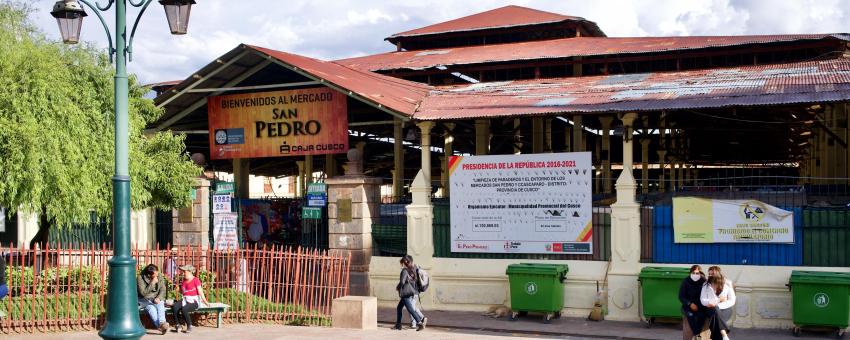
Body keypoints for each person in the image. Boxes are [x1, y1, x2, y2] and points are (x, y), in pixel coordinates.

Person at [393, 255, 427, 331]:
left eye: (402, 263)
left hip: (405, 293)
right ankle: (398, 325)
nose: (401, 265)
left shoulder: (404, 271)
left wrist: (398, 287)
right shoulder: (413, 269)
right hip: (411, 291)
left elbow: (402, 282)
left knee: (410, 309)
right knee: (399, 308)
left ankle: (419, 323)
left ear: (405, 263)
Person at [172, 264, 208, 334]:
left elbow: (200, 292)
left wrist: (205, 301)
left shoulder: (196, 280)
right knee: (175, 306)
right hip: (185, 300)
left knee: (184, 309)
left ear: (190, 272)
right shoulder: (184, 281)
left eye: (185, 271)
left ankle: (189, 325)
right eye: (183, 272)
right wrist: (178, 289)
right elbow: (183, 292)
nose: (183, 273)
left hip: (194, 301)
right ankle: (178, 325)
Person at [138, 264, 169, 334]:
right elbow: (143, 293)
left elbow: (163, 289)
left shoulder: (159, 274)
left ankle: (161, 323)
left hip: (156, 298)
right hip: (145, 300)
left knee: (160, 303)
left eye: (157, 272)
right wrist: (152, 283)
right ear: (149, 275)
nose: (157, 274)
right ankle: (162, 326)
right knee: (151, 308)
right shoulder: (140, 278)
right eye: (155, 273)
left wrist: (159, 297)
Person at [679, 264, 706, 340]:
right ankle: (697, 334)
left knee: (702, 315)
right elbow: (681, 296)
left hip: (700, 305)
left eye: (697, 273)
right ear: (690, 273)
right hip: (687, 306)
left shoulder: (703, 281)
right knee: (691, 315)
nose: (695, 275)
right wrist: (690, 304)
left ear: (700, 273)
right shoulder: (685, 281)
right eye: (693, 273)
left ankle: (696, 335)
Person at [700, 274, 731, 340]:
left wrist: (714, 303)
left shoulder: (725, 286)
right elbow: (703, 301)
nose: (715, 285)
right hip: (707, 308)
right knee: (715, 311)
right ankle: (724, 334)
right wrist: (717, 300)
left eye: (717, 284)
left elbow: (730, 300)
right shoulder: (706, 286)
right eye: (714, 283)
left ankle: (721, 336)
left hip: (720, 308)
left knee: (716, 314)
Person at [708, 266, 736, 331]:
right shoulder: (707, 284)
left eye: (712, 274)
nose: (710, 276)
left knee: (717, 321)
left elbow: (732, 300)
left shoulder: (727, 283)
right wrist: (718, 300)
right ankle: (724, 334)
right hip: (712, 309)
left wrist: (718, 305)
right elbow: (706, 299)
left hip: (725, 308)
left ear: (717, 274)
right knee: (715, 319)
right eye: (709, 274)